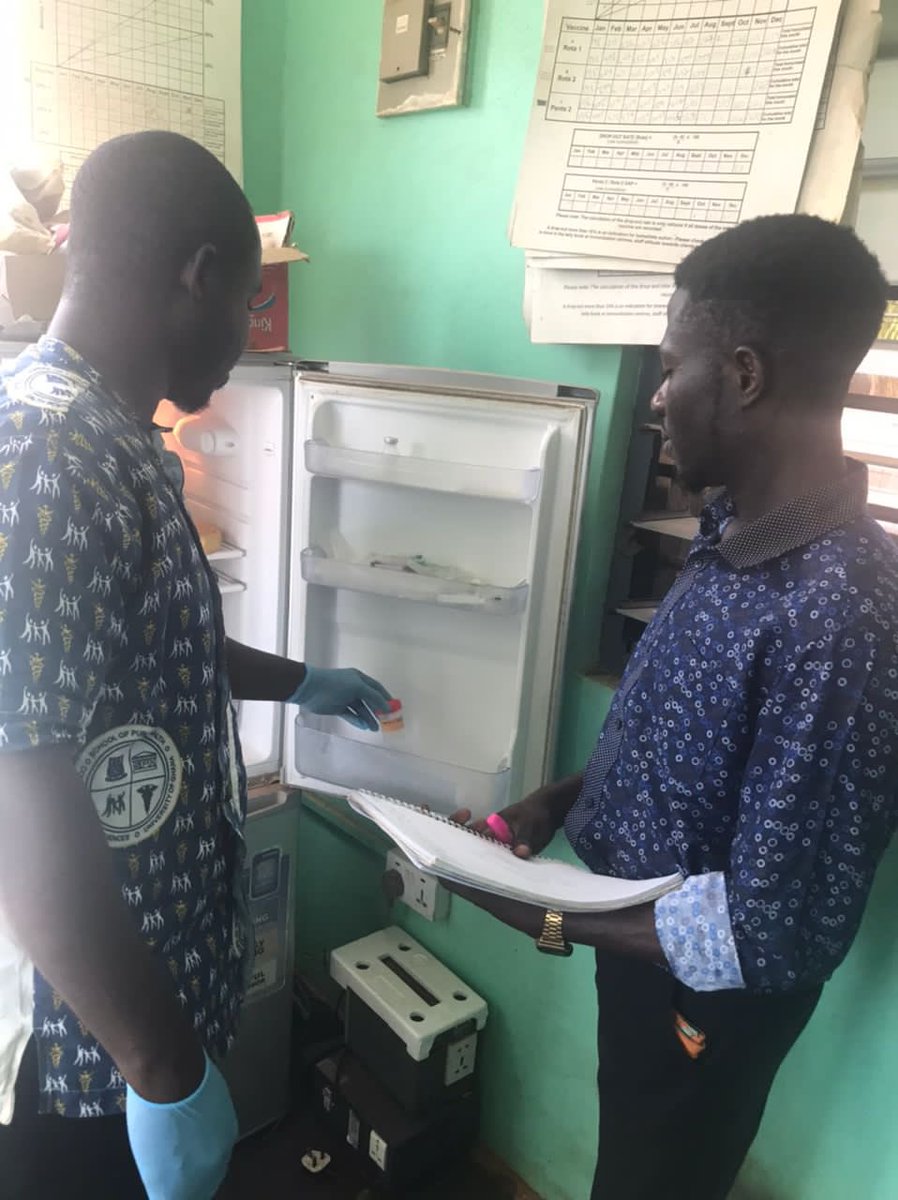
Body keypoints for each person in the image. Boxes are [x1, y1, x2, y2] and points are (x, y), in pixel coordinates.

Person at [452, 214, 898, 1200]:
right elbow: (679, 728)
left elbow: (772, 930)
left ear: (741, 375)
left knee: (655, 1183)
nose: (655, 399)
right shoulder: (735, 532)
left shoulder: (840, 616)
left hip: (708, 1003)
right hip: (638, 953)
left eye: (668, 369)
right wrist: (563, 802)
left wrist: (553, 919)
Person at [0, 131, 392, 1199]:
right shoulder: (49, 452)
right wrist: (163, 1069)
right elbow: (15, 782)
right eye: (247, 307)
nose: (243, 338)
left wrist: (299, 679)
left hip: (148, 1011)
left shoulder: (112, 437)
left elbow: (149, 647)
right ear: (200, 276)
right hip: (94, 1061)